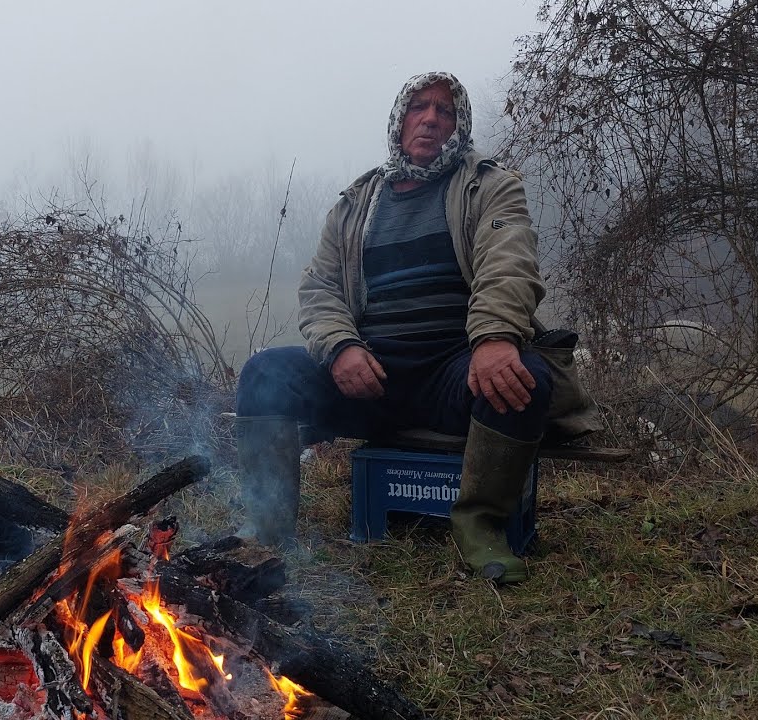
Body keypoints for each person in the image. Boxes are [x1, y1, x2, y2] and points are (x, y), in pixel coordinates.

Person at [234, 71, 600, 583]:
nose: (430, 119)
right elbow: (319, 288)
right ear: (399, 119)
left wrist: (496, 338)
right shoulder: (355, 204)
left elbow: (508, 264)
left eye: (444, 111)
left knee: (523, 380)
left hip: (453, 373)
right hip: (369, 377)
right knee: (265, 372)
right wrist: (341, 348)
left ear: (460, 125)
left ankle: (480, 525)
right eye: (418, 107)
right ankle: (269, 531)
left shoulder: (490, 187)